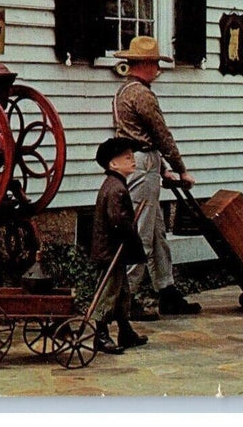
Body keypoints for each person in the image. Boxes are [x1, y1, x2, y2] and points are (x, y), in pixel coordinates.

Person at [111, 36, 202, 319]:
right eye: (155, 64)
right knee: (141, 234)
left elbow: (139, 137)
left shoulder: (124, 91)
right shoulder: (142, 94)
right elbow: (161, 136)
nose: (158, 70)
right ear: (146, 64)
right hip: (142, 165)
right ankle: (126, 299)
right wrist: (181, 168)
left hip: (143, 162)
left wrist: (163, 170)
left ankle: (167, 291)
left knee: (157, 233)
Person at [90, 137, 150, 354]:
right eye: (127, 157)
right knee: (109, 292)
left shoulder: (116, 185)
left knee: (122, 291)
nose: (133, 160)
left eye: (132, 156)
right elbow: (117, 221)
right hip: (111, 251)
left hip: (115, 249)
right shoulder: (116, 189)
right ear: (113, 164)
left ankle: (125, 331)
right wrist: (129, 231)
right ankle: (101, 335)